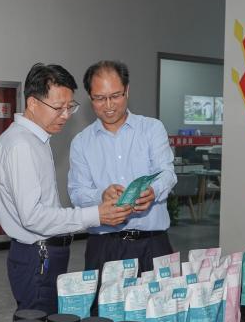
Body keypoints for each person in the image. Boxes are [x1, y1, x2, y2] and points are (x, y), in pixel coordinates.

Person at [0, 63, 132, 313]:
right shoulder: (21, 145)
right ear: (33, 103)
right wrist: (96, 215)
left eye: (70, 107)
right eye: (58, 108)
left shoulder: (35, 139)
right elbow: (33, 217)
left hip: (43, 253)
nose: (66, 115)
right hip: (37, 256)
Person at [69, 60, 178, 284]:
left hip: (153, 245)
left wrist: (153, 191)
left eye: (115, 96)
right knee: (103, 307)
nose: (109, 105)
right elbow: (77, 193)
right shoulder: (81, 142)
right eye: (100, 98)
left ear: (127, 91)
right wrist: (100, 195)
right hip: (104, 247)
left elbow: (167, 173)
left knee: (159, 304)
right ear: (90, 97)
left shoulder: (151, 129)